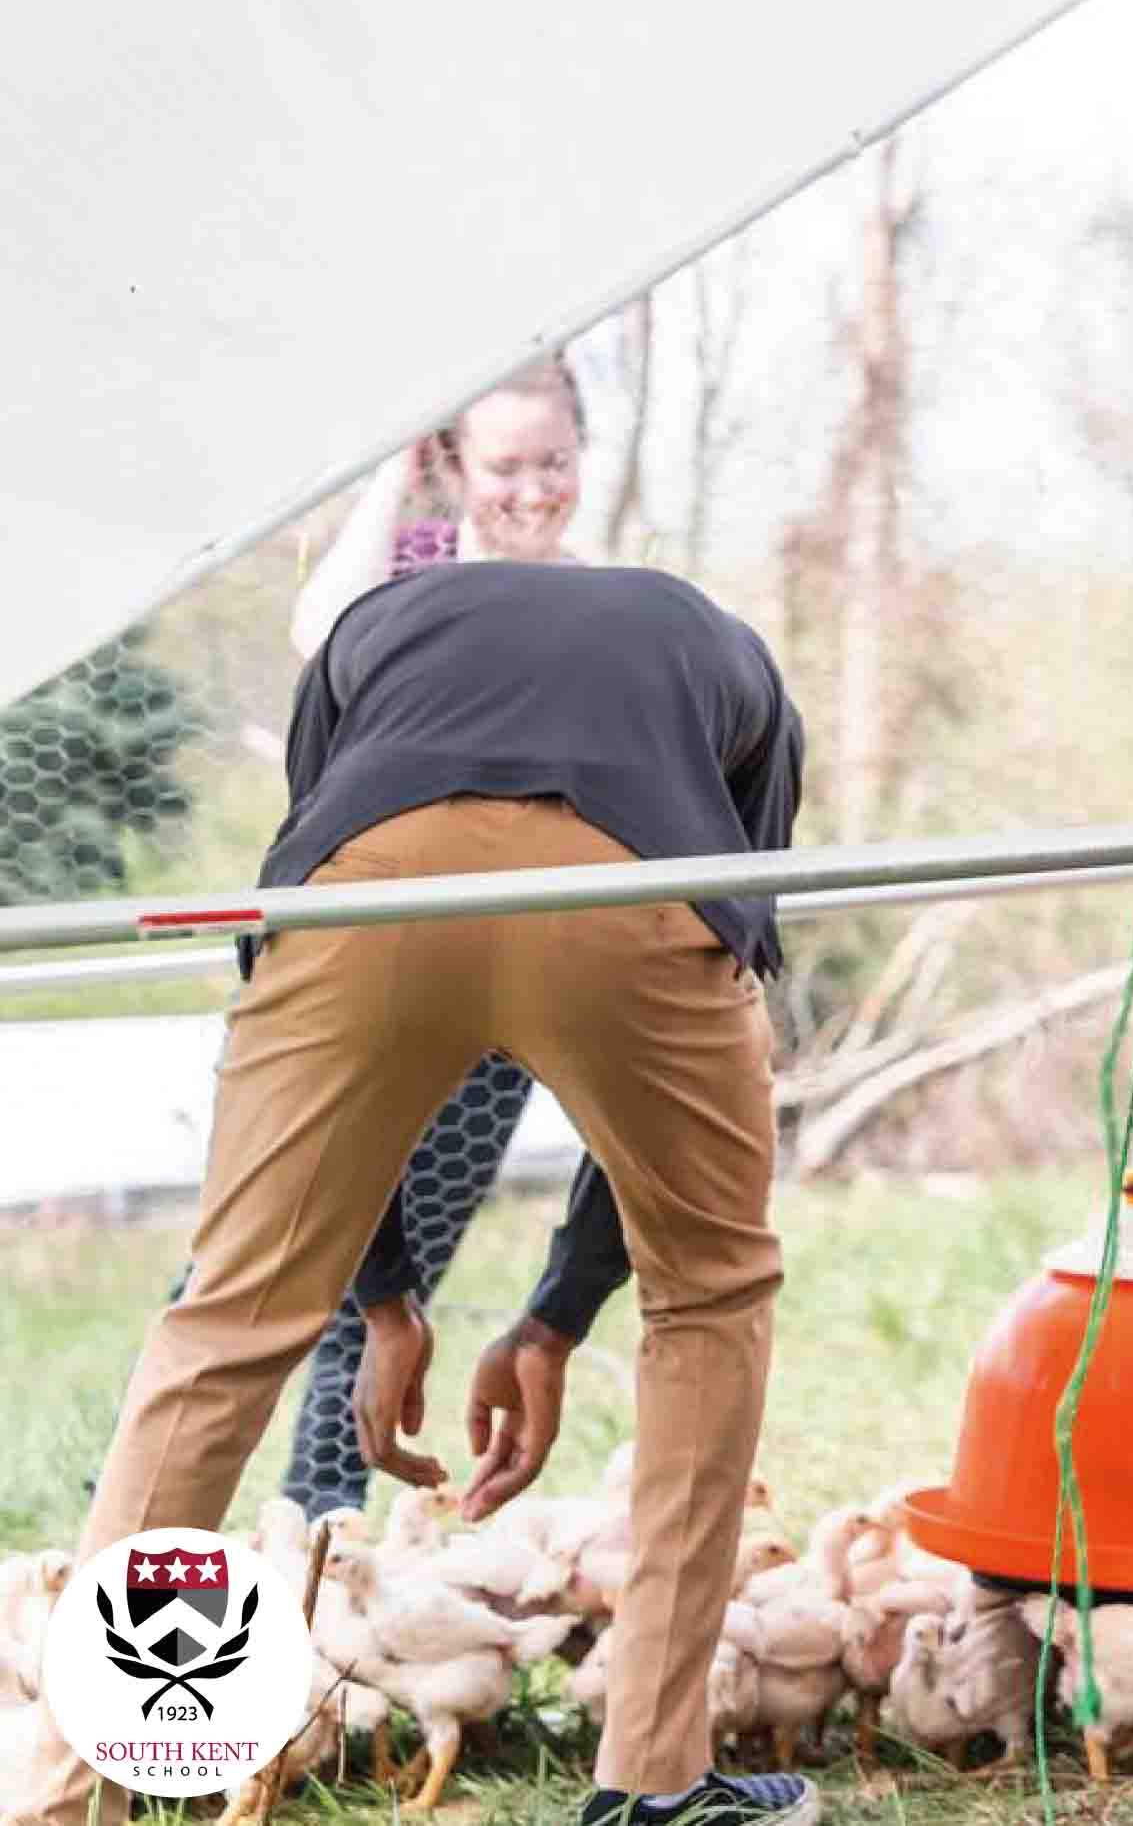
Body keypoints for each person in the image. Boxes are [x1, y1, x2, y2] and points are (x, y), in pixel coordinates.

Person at [9, 561, 812, 1826]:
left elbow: (309, 841)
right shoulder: (738, 664)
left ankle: (63, 1800)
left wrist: (378, 1295)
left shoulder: (365, 629)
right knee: (713, 1293)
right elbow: (729, 920)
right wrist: (557, 1315)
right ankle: (654, 1783)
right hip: (632, 881)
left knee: (224, 1322)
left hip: (366, 877)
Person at [259, 355, 591, 1522]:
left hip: (508, 985)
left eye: (555, 460)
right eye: (505, 463)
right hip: (364, 967)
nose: (535, 489)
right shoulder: (403, 581)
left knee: (399, 1275)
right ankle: (137, 1527)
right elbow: (318, 627)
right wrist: (398, 472)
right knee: (262, 1239)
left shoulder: (594, 604)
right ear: (451, 464)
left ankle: (324, 1530)